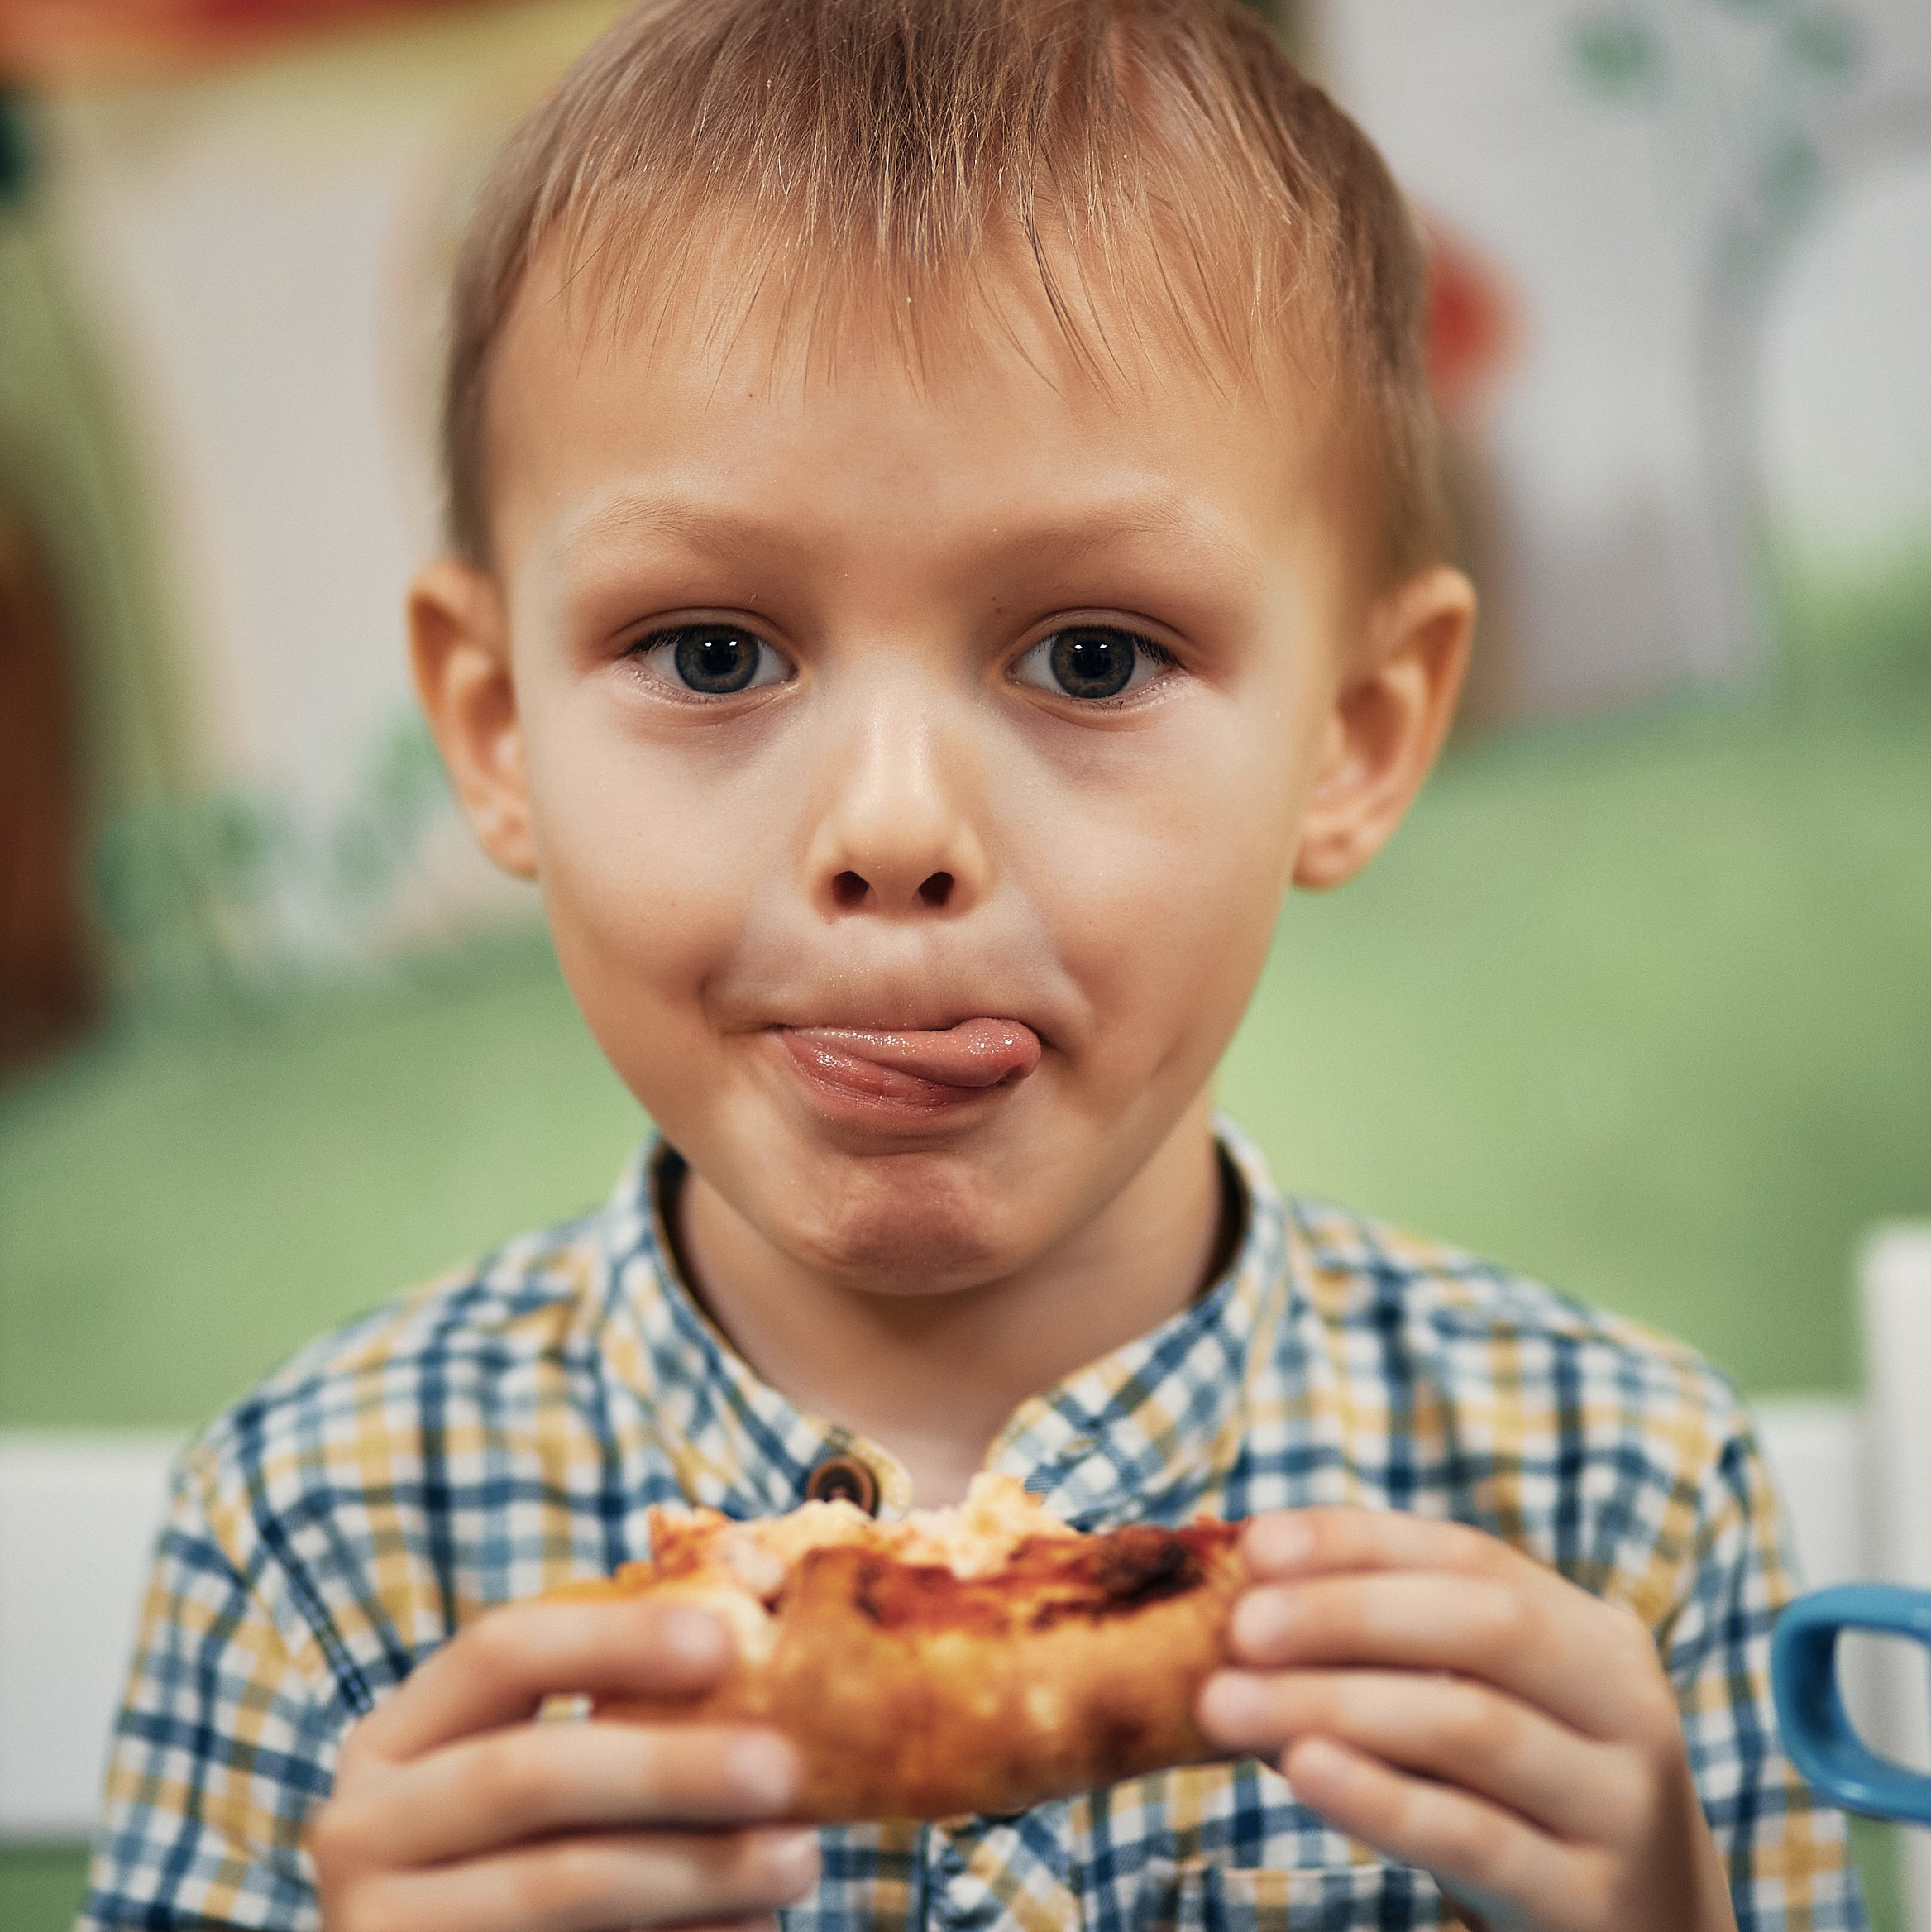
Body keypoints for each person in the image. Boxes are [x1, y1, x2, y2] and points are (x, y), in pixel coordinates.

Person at [81, 1, 1865, 1927]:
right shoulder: (313, 1537)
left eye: (1091, 657)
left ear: (1352, 733)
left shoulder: (1616, 1501)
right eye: (710, 652)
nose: (893, 825)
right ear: (498, 726)